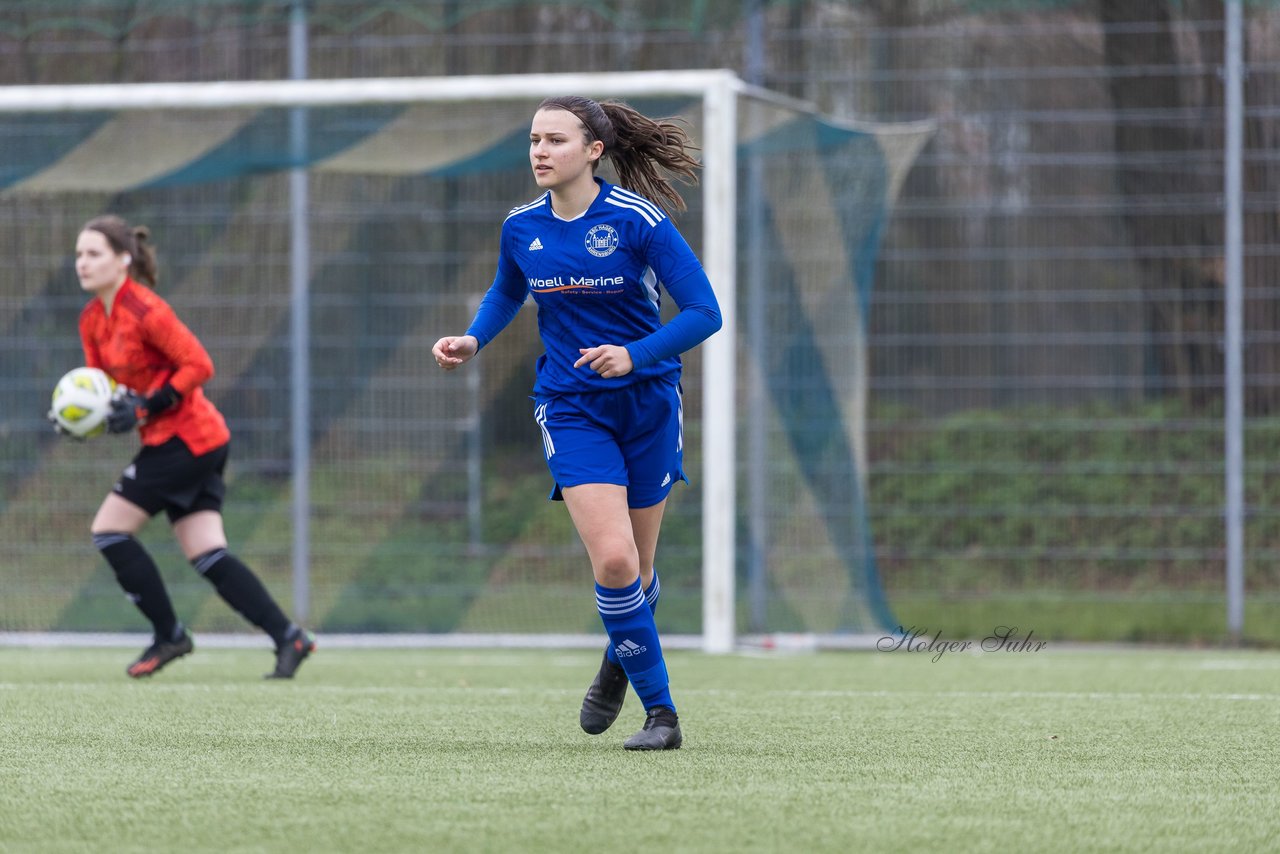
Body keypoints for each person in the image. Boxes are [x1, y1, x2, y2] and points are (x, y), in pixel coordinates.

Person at [432, 96, 722, 750]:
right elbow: (509, 289)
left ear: (594, 150)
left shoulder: (637, 220)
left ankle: (619, 656)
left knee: (640, 574)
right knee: (615, 560)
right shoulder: (521, 226)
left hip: (649, 404)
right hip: (570, 406)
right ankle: (663, 715)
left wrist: (635, 354)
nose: (539, 151)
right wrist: (474, 340)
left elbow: (705, 312)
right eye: (534, 139)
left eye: (555, 140)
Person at [54, 215, 315, 680]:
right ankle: (288, 636)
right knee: (207, 553)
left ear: (123, 260)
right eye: (79, 254)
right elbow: (103, 389)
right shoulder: (92, 319)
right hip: (187, 442)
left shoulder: (146, 311)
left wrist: (143, 407)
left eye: (93, 254)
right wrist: (80, 418)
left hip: (188, 439)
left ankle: (170, 633)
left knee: (110, 531)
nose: (82, 263)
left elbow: (198, 365)